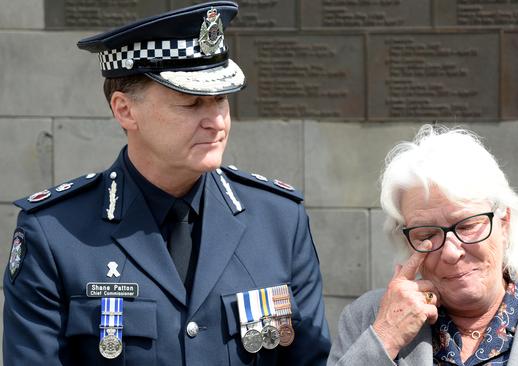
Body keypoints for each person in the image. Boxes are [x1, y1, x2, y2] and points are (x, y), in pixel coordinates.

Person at [3, 2, 330, 365]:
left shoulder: (280, 221)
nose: (216, 122)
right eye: (192, 104)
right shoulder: (55, 233)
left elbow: (309, 359)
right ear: (125, 110)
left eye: (220, 100)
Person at [328, 125, 518, 365]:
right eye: (426, 235)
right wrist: (386, 338)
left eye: (467, 226)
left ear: (504, 222)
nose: (450, 251)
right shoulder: (367, 320)